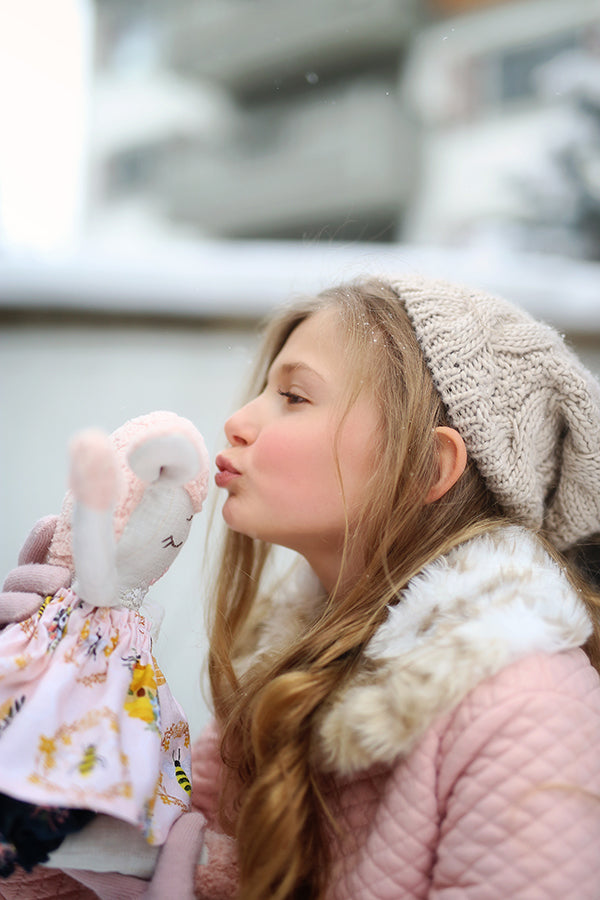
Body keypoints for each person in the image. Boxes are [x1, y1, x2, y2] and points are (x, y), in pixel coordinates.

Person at [3, 273, 600, 899]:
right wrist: (48, 712)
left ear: (427, 466)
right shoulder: (285, 673)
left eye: (293, 396)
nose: (236, 421)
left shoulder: (528, 710)